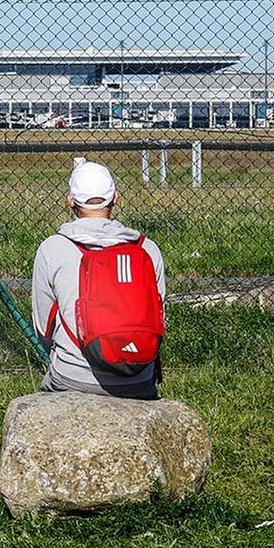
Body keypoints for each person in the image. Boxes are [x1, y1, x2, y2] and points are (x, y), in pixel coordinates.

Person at [31, 157, 167, 399]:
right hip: (139, 378)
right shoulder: (148, 249)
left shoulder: (52, 248)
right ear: (115, 197)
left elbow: (43, 329)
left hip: (71, 375)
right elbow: (158, 316)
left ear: (70, 201)